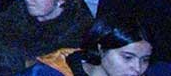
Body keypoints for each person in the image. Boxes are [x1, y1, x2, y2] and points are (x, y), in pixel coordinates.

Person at [25, 16, 154, 76]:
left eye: (145, 60)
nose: (137, 69)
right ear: (101, 49)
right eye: (127, 57)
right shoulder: (49, 73)